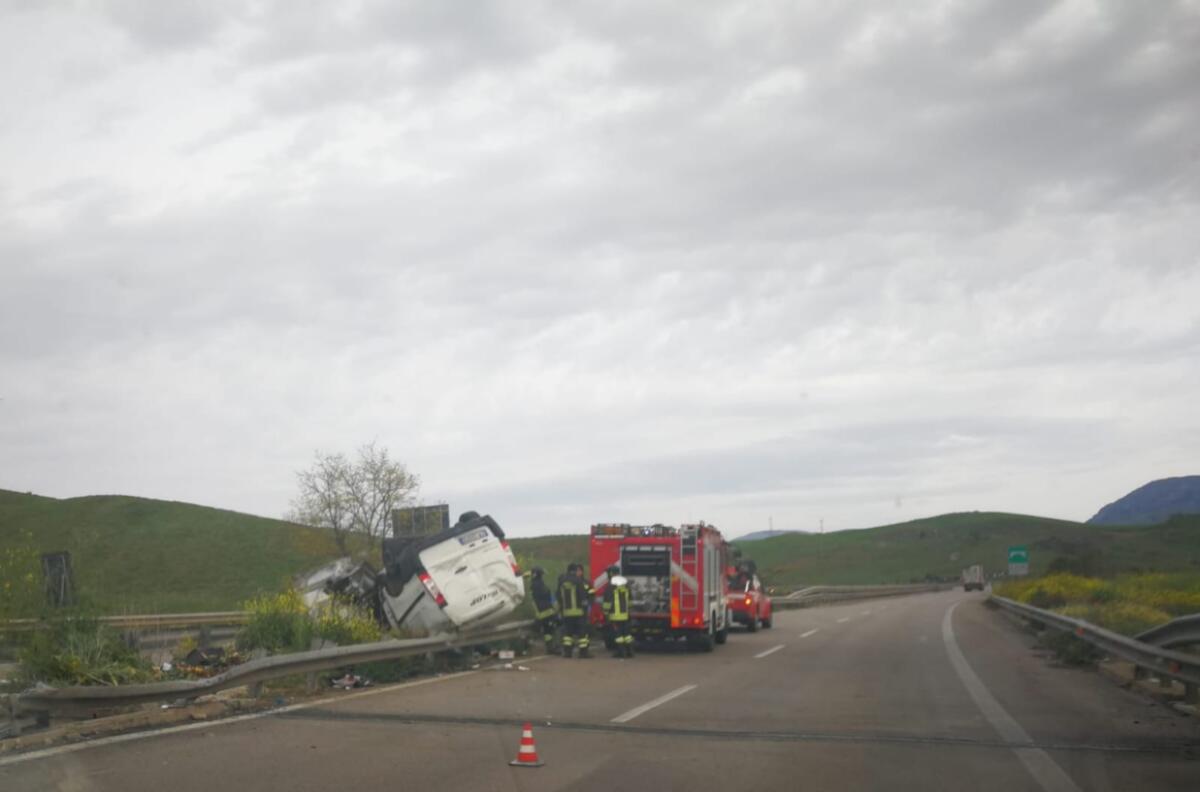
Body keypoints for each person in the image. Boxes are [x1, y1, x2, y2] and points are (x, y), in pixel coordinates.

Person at [557, 562, 592, 658]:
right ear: (575, 570)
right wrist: (585, 610)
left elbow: (558, 596)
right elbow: (583, 596)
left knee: (568, 634)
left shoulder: (562, 581)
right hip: (579, 612)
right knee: (582, 634)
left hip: (566, 612)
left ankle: (567, 653)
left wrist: (561, 609)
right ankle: (583, 653)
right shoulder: (578, 581)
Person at [601, 564, 633, 658]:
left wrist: (606, 613)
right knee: (627, 635)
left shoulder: (610, 585)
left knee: (618, 635)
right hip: (625, 614)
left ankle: (621, 653)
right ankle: (630, 652)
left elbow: (607, 601)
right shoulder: (626, 583)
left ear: (611, 573)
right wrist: (629, 611)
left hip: (615, 615)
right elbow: (630, 599)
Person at [525, 566, 558, 653]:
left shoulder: (534, 584)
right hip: (546, 611)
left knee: (547, 630)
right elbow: (545, 597)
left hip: (542, 612)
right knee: (549, 629)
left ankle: (550, 647)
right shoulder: (539, 585)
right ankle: (550, 647)